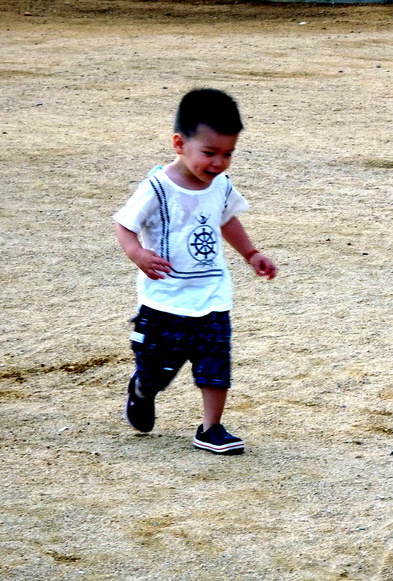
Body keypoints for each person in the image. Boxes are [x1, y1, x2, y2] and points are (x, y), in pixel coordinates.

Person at [114, 88, 277, 455]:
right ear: (179, 144)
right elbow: (124, 223)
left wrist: (251, 253)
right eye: (209, 153)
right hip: (165, 300)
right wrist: (137, 252)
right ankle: (142, 387)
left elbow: (226, 218)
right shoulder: (157, 187)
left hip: (212, 295)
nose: (219, 163)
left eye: (228, 153)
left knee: (216, 364)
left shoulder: (219, 184)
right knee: (157, 370)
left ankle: (211, 428)